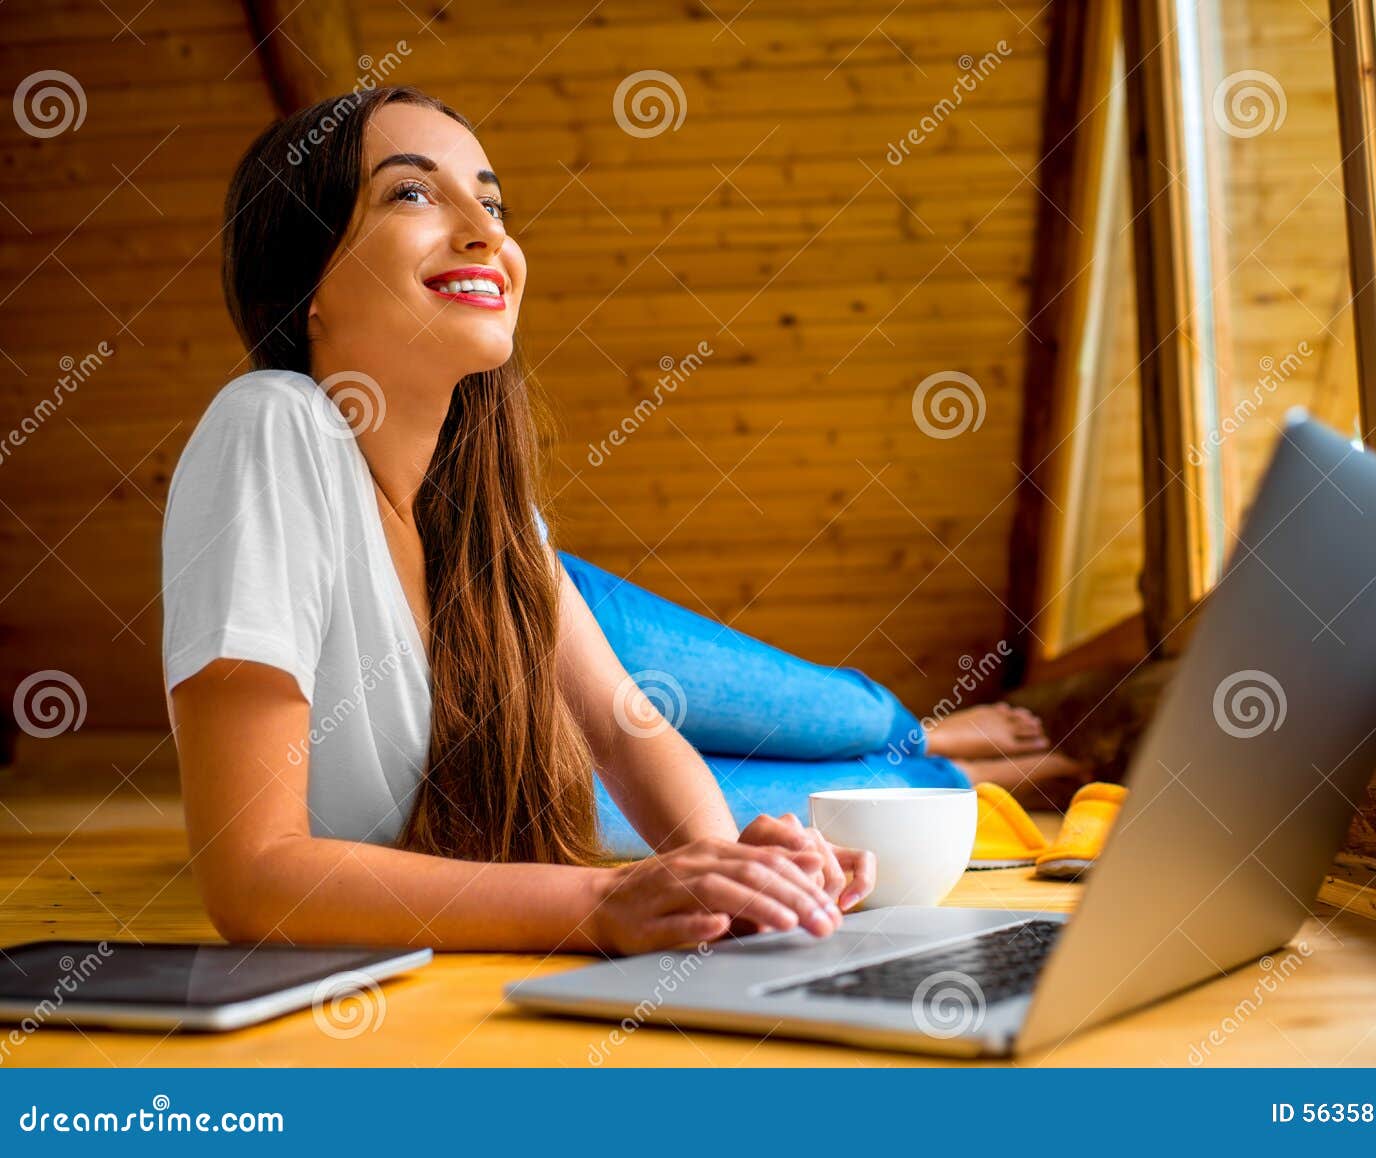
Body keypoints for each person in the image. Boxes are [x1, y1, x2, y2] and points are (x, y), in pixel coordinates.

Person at [163, 86, 1071, 957]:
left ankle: (924, 730)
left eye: (492, 203)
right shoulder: (272, 427)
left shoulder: (485, 507)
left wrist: (731, 873)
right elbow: (249, 880)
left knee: (858, 715)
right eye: (410, 193)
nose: (487, 234)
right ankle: (936, 749)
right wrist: (602, 900)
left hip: (558, 631)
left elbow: (624, 723)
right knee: (888, 785)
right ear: (306, 280)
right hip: (493, 747)